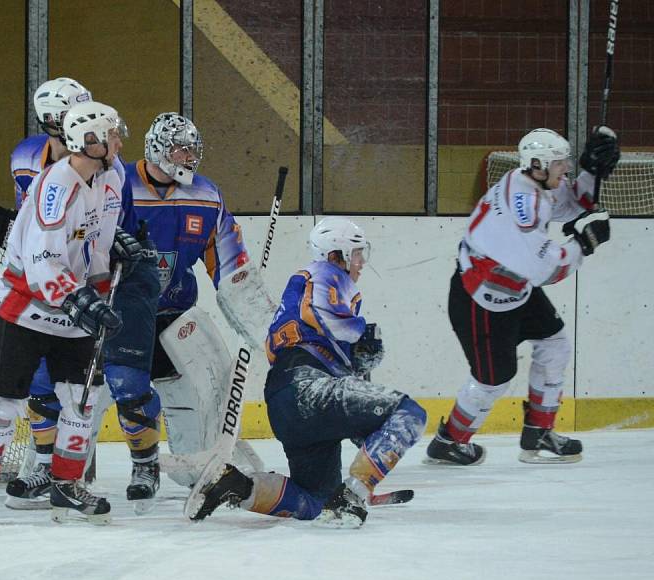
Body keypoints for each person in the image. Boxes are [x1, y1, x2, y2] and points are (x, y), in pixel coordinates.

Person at [186, 217, 427, 528]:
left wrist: (361, 358)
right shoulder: (325, 272)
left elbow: (339, 369)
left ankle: (238, 486)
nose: (361, 262)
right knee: (409, 412)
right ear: (335, 254)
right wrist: (360, 332)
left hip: (286, 402)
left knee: (316, 500)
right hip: (307, 388)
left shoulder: (316, 289)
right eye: (356, 253)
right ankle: (352, 497)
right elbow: (319, 314)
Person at [0, 78, 141, 510]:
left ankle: (67, 483)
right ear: (91, 142)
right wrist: (79, 299)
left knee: (81, 402)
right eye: (113, 134)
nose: (120, 140)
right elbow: (42, 259)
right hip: (25, 307)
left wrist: (114, 250)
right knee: (5, 403)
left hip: (74, 308)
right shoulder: (54, 186)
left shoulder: (112, 177)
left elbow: (92, 237)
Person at [102, 112, 275, 513]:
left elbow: (231, 269)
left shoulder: (206, 195)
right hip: (116, 311)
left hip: (174, 313)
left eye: (193, 150)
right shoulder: (115, 183)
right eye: (181, 149)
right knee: (90, 396)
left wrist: (260, 325)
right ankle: (58, 469)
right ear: (158, 149)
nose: (189, 158)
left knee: (191, 400)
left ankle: (175, 467)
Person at [425, 126, 619, 466]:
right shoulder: (518, 218)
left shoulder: (527, 181)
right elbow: (548, 270)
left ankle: (538, 432)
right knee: (493, 380)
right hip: (481, 300)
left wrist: (592, 172)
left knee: (555, 344)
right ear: (540, 164)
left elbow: (570, 204)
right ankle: (448, 442)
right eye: (561, 164)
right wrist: (584, 243)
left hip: (512, 287)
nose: (566, 170)